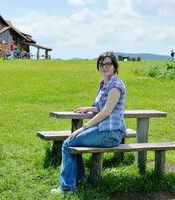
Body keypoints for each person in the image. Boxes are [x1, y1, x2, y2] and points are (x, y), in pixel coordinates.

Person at [51, 51, 127, 195]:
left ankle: (67, 188)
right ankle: (78, 179)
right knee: (72, 142)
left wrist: (83, 128)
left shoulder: (116, 85)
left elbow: (106, 111)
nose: (104, 67)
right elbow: (102, 107)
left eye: (108, 64)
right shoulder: (105, 84)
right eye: (101, 64)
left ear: (115, 67)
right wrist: (89, 108)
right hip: (105, 131)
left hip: (111, 133)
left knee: (68, 143)